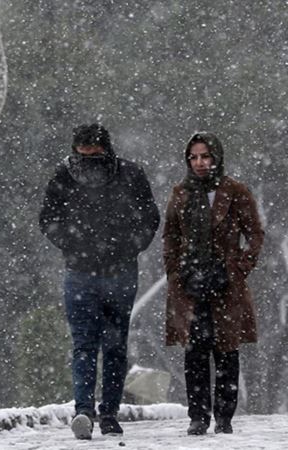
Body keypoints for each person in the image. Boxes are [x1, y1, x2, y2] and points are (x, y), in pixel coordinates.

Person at [39, 123, 160, 439]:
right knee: (92, 344)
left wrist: (126, 246)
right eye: (84, 154)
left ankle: (103, 411)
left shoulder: (129, 175)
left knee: (108, 345)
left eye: (94, 153)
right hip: (85, 271)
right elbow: (48, 219)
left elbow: (149, 218)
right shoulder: (66, 176)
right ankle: (88, 411)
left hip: (113, 271)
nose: (89, 160)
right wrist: (75, 244)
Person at [162, 131, 263, 435]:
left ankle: (224, 416)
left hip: (225, 284)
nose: (200, 163)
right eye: (193, 157)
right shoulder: (181, 192)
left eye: (205, 156)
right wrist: (176, 271)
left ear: (216, 156)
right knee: (194, 352)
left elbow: (255, 233)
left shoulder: (235, 190)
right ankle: (198, 416)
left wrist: (239, 267)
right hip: (190, 284)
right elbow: (171, 236)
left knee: (226, 351)